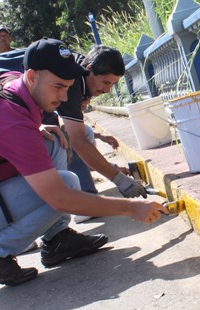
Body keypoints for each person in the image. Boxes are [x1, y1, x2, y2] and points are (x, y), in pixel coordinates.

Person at [0, 38, 167, 286]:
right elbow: (59, 197)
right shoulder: (10, 120)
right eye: (58, 87)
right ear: (32, 77)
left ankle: (58, 239)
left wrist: (38, 126)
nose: (64, 96)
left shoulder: (17, 86)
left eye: (67, 88)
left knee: (55, 140)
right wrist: (130, 208)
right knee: (66, 184)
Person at [57, 45, 147, 199]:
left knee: (86, 132)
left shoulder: (82, 69)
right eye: (106, 82)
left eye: (112, 84)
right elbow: (78, 142)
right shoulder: (72, 83)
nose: (107, 90)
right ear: (90, 69)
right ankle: (79, 201)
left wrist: (111, 167)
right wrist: (119, 179)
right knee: (66, 140)